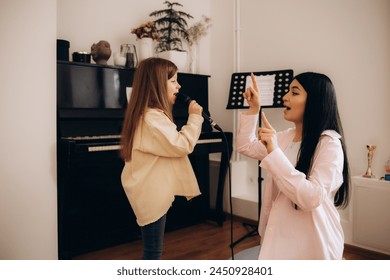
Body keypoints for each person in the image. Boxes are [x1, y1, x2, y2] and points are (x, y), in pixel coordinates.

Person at [236, 72, 350, 259]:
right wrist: (254, 109)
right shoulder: (285, 137)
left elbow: (311, 198)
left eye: (294, 93)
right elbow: (245, 146)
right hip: (278, 234)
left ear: (315, 101)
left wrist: (274, 152)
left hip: (314, 241)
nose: (285, 97)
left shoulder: (329, 144)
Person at [120, 57, 204, 260]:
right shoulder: (152, 118)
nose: (179, 86)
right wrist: (195, 117)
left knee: (153, 250)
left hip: (151, 188)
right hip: (150, 192)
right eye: (174, 81)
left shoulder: (149, 114)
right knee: (152, 253)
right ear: (157, 83)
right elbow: (182, 145)